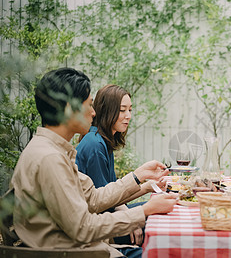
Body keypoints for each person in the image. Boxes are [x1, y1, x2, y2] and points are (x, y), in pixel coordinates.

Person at [10, 67, 177, 258]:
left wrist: (138, 176)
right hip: (77, 253)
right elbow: (83, 228)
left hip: (87, 248)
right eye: (89, 105)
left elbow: (94, 199)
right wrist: (144, 211)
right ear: (68, 108)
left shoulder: (52, 150)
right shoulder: (51, 158)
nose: (93, 112)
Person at [76, 84, 161, 247]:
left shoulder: (103, 141)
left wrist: (148, 186)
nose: (128, 116)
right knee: (156, 221)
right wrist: (132, 220)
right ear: (106, 111)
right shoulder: (94, 145)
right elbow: (103, 202)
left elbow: (114, 195)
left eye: (130, 109)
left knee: (159, 213)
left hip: (106, 215)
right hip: (96, 229)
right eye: (122, 110)